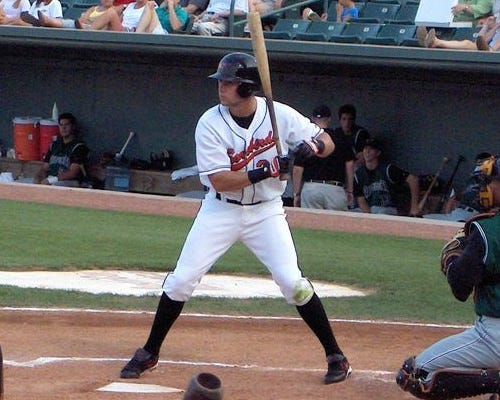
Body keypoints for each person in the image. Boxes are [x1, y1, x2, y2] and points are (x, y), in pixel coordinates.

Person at [119, 52, 352, 386]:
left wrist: (312, 147)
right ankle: (149, 352)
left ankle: (336, 356)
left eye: (228, 83)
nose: (221, 88)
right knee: (182, 279)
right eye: (222, 82)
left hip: (266, 212)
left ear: (247, 88)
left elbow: (329, 141)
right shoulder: (210, 123)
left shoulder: (278, 114)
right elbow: (220, 180)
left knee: (292, 282)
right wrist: (267, 168)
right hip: (221, 210)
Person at [396, 205, 500, 399]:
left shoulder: (490, 230)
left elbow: (461, 288)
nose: (485, 186)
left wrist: (452, 262)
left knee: (415, 375)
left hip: (495, 337)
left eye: (491, 180)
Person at [293, 104, 355, 210]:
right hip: (335, 189)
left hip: (311, 188)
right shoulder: (339, 137)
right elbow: (350, 164)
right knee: (337, 225)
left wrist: (296, 194)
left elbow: (297, 169)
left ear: (312, 119)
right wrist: (350, 190)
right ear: (329, 119)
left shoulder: (307, 139)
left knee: (311, 225)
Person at [353, 138, 420, 216]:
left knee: (381, 212)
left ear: (378, 153)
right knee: (351, 213)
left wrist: (414, 207)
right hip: (370, 211)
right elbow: (361, 199)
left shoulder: (388, 169)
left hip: (388, 209)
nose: (367, 151)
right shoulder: (358, 174)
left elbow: (413, 179)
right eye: (365, 148)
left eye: (371, 149)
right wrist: (369, 216)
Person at [423, 153, 499, 221]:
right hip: (462, 213)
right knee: (422, 219)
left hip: (471, 216)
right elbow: (457, 196)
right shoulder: (481, 177)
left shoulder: (490, 179)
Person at [34, 113, 90, 187]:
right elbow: (44, 168)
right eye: (61, 125)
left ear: (73, 127)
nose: (63, 128)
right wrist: (39, 178)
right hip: (51, 179)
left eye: (66, 125)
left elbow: (73, 173)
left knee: (55, 185)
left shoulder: (79, 147)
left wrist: (51, 180)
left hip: (71, 182)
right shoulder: (54, 145)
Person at [75, 0, 163, 33]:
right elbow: (120, 21)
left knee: (111, 13)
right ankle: (90, 28)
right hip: (122, 31)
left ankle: (88, 30)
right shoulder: (130, 6)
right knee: (111, 15)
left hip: (133, 34)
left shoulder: (151, 6)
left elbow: (151, 27)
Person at [417, 18, 500, 51]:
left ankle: (435, 42)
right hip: (487, 49)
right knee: (468, 43)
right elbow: (481, 40)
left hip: (494, 54)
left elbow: (492, 49)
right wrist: (486, 26)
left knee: (468, 43)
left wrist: (490, 49)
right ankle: (432, 41)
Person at [332, 104, 370, 168]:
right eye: (344, 119)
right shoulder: (337, 133)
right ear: (340, 120)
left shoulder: (361, 134)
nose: (347, 123)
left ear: (354, 120)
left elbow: (362, 159)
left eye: (350, 119)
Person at [37, 0, 116, 29]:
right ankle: (48, 21)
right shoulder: (93, 8)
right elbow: (81, 20)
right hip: (82, 26)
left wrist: (90, 22)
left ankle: (49, 21)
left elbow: (107, 24)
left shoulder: (113, 10)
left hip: (99, 31)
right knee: (70, 22)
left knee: (73, 24)